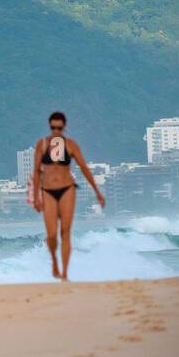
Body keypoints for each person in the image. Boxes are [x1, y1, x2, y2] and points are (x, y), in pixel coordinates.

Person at [31, 111, 104, 280]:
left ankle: (64, 273)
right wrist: (36, 197)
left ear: (64, 127)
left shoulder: (71, 145)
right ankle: (54, 262)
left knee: (65, 231)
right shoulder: (42, 145)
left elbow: (84, 168)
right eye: (53, 128)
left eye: (59, 128)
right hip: (47, 190)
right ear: (50, 127)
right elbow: (36, 172)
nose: (56, 131)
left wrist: (97, 191)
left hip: (67, 189)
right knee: (51, 235)